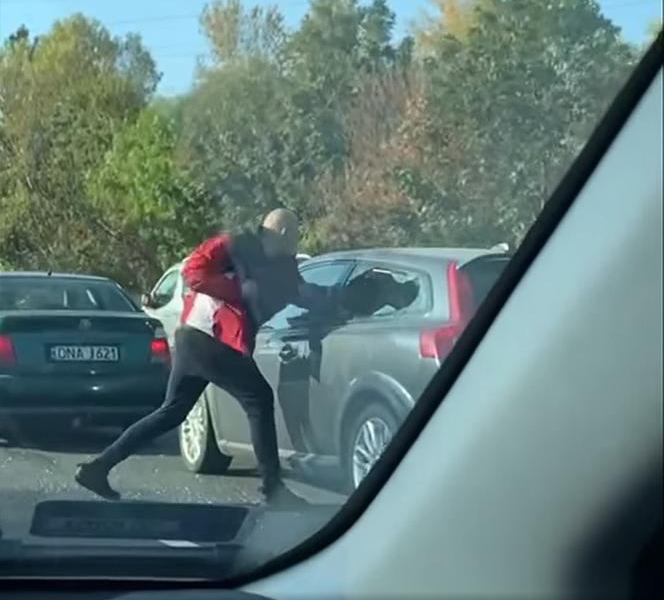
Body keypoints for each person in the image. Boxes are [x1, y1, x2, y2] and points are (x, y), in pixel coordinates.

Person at [75, 208, 418, 505]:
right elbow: (193, 271)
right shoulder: (237, 245)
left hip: (199, 342)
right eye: (296, 233)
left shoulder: (283, 271)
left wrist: (370, 296)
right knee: (258, 397)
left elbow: (314, 297)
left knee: (172, 412)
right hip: (207, 338)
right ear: (282, 232)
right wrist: (238, 291)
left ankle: (98, 468)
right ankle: (272, 489)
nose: (299, 240)